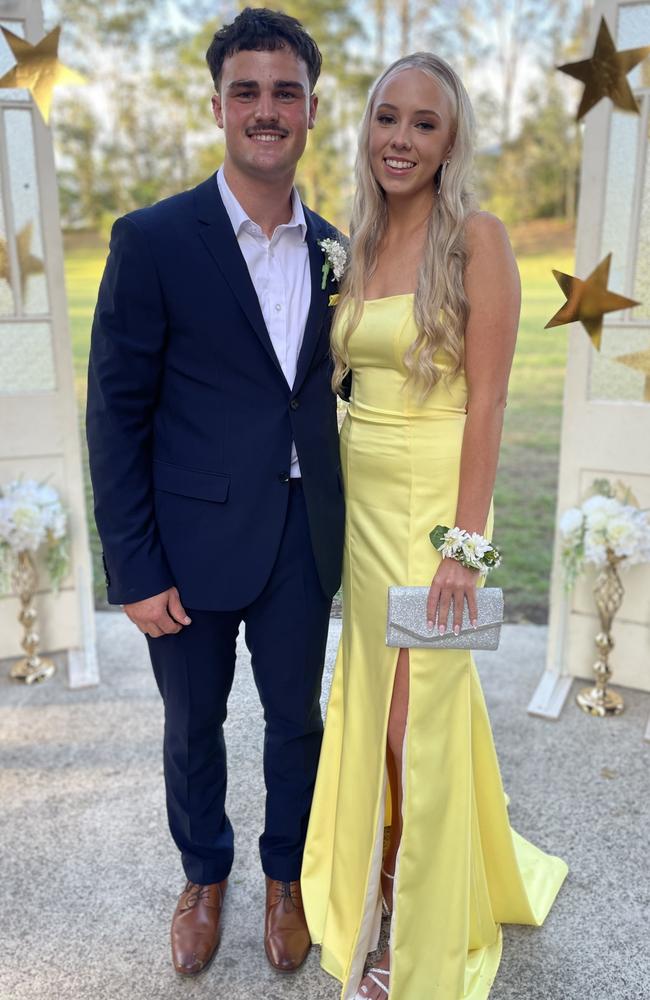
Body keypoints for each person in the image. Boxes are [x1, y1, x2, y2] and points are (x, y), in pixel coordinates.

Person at [300, 52, 568, 1000]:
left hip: (434, 515)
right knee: (373, 713)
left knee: (416, 719)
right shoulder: (355, 244)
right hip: (363, 511)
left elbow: (490, 405)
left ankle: (409, 929)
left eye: (423, 124)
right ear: (364, 128)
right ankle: (378, 879)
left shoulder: (478, 241)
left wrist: (467, 553)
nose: (399, 140)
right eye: (386, 119)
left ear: (450, 141)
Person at [86, 7, 346, 978]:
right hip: (187, 545)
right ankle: (204, 875)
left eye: (286, 92)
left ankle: (285, 877)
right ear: (217, 106)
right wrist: (134, 565)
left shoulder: (338, 250)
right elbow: (115, 413)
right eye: (248, 91)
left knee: (297, 718)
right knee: (191, 723)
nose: (266, 109)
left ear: (311, 112)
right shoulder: (152, 240)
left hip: (298, 535)